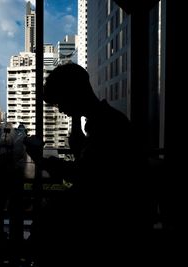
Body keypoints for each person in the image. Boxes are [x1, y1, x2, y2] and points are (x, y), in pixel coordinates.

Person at [27, 63, 151, 265]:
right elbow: (86, 164)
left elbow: (83, 176)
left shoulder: (106, 126)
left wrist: (42, 161)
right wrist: (76, 121)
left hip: (111, 220)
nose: (61, 110)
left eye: (60, 102)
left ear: (71, 95)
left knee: (46, 222)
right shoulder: (103, 120)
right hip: (117, 211)